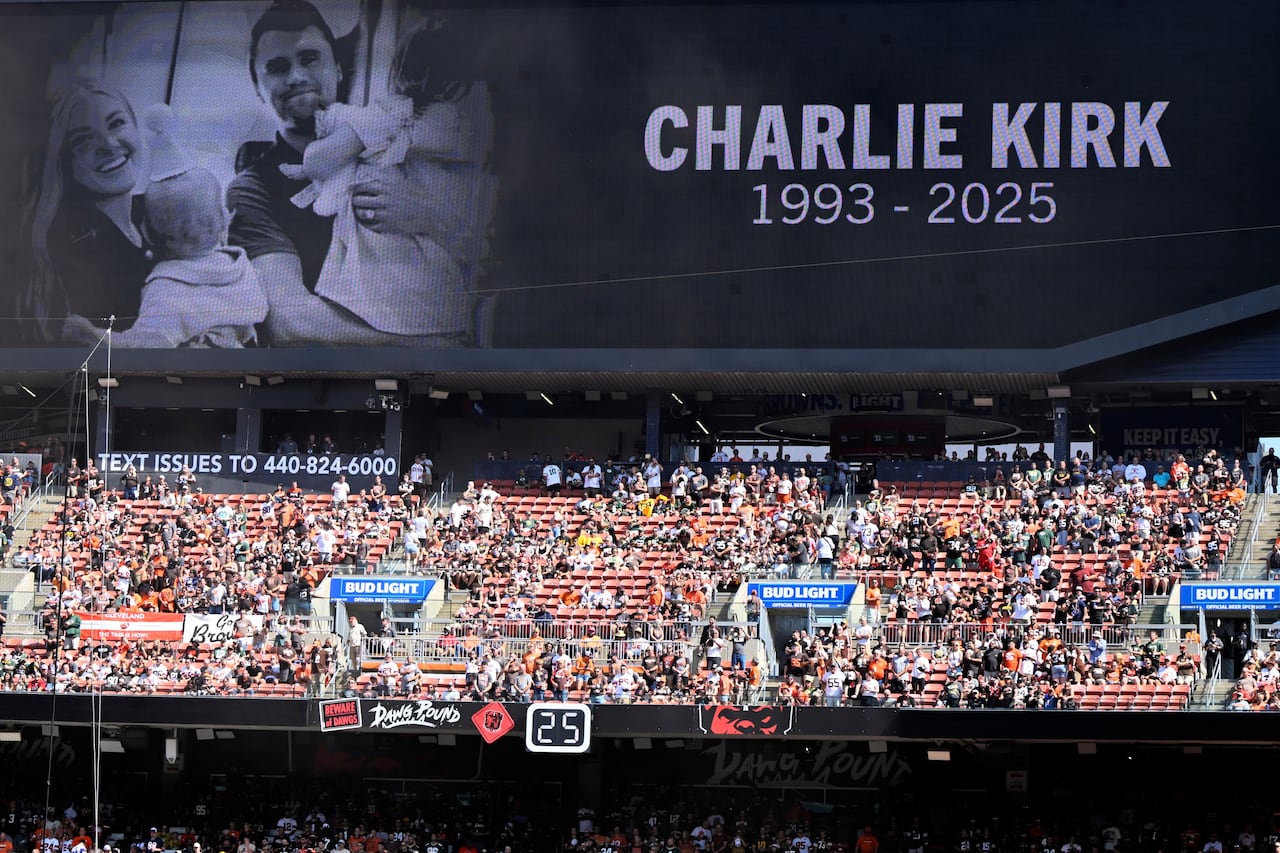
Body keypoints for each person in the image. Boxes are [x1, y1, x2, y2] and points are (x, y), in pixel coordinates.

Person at [227, 0, 494, 347]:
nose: (296, 77)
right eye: (277, 68)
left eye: (310, 58)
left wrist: (427, 216)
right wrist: (430, 347)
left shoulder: (401, 138)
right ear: (257, 87)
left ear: (337, 68)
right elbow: (289, 322)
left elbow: (486, 254)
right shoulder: (252, 190)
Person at [62, 167, 267, 348]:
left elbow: (147, 345)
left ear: (152, 234)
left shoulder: (167, 289)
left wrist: (92, 335)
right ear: (224, 219)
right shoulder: (240, 268)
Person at [27, 80, 154, 342]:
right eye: (83, 139)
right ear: (62, 160)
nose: (108, 144)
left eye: (117, 122)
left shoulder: (153, 210)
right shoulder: (70, 246)